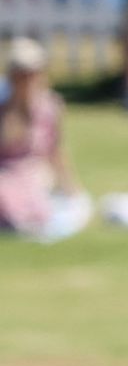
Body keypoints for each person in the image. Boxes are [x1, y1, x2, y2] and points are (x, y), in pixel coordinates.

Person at [0, 37, 89, 240]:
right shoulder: (3, 106)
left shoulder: (48, 107)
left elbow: (55, 150)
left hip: (34, 173)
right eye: (22, 73)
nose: (27, 78)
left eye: (31, 73)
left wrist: (70, 187)